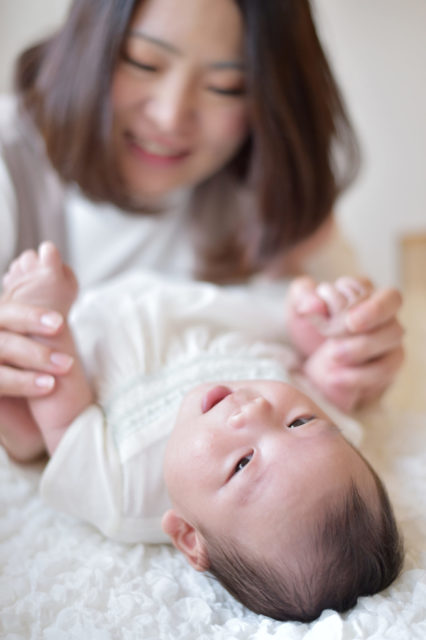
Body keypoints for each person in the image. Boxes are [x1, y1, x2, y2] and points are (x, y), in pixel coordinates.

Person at [0, 0, 403, 412]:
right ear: (88, 44)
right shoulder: (10, 162)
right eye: (144, 63)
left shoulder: (269, 198)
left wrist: (360, 358)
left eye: (225, 87)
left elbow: (350, 351)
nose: (171, 116)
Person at [0, 243, 404, 623]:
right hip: (208, 293)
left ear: (189, 537)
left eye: (243, 463)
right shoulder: (311, 425)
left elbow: (63, 420)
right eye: (300, 422)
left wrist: (46, 320)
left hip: (96, 317)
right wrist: (324, 319)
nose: (257, 409)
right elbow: (326, 370)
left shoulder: (124, 492)